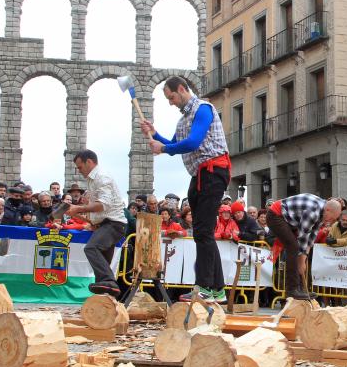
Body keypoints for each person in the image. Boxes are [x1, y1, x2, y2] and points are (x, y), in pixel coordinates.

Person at [140, 76, 230, 303]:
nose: (171, 102)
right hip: (199, 174)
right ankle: (217, 289)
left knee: (203, 231)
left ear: (181, 89)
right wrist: (155, 134)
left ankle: (205, 287)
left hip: (213, 171)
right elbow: (173, 143)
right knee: (202, 232)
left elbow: (193, 142)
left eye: (171, 97)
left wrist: (163, 148)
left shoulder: (203, 109)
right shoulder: (183, 121)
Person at [68, 150, 127, 297]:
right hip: (108, 224)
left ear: (89, 162)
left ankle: (109, 282)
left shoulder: (102, 177)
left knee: (91, 248)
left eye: (80, 167)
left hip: (113, 224)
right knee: (103, 265)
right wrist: (84, 212)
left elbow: (103, 205)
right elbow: (100, 209)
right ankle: (106, 295)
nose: (79, 170)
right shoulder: (93, 179)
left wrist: (79, 208)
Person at [266, 194, 342, 300]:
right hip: (275, 215)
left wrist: (304, 256)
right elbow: (303, 237)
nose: (331, 221)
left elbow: (312, 236)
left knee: (299, 253)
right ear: (328, 210)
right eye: (332, 218)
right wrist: (301, 262)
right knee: (293, 247)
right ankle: (292, 289)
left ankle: (301, 289)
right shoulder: (313, 211)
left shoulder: (322, 212)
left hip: (289, 220)